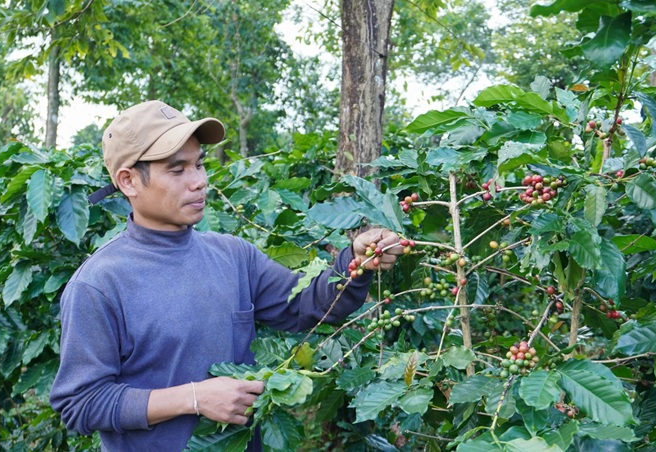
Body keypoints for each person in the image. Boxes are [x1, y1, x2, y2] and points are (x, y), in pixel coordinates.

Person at [49, 100, 402, 451]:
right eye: (177, 170)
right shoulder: (98, 284)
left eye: (199, 164)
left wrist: (355, 262)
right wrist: (194, 398)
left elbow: (308, 305)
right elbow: (80, 403)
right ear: (128, 181)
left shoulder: (233, 256)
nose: (199, 181)